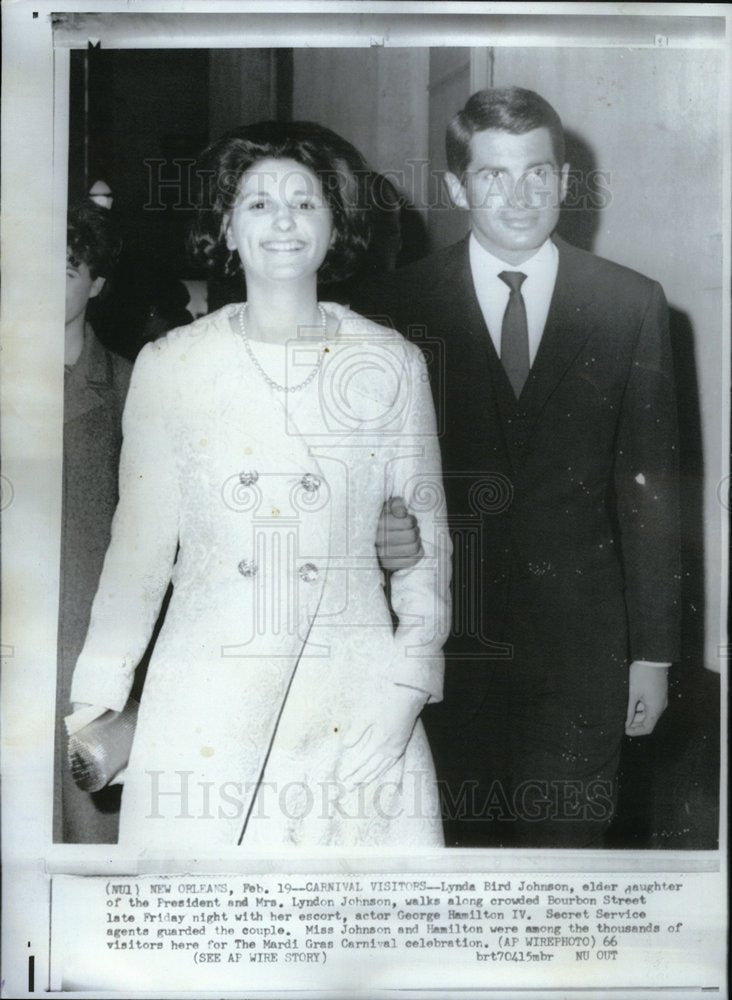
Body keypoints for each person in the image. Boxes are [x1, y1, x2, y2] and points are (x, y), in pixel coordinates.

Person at [69, 120, 451, 850]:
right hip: (209, 698)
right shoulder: (173, 364)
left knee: (348, 945)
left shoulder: (391, 363)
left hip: (351, 696)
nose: (283, 222)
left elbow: (427, 545)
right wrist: (97, 697)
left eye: (305, 204)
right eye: (258, 204)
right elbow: (139, 552)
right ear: (227, 226)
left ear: (334, 225)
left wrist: (407, 683)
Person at [354, 87, 681, 848]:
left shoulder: (629, 304)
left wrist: (654, 657)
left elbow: (652, 493)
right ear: (459, 187)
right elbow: (364, 488)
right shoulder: (390, 308)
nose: (520, 195)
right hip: (438, 644)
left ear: (565, 181)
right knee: (451, 865)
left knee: (564, 866)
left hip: (581, 653)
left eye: (538, 173)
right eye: (495, 176)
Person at [54, 201, 131, 842]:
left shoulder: (132, 389)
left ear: (97, 283)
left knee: (86, 841)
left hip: (88, 661)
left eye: (68, 268)